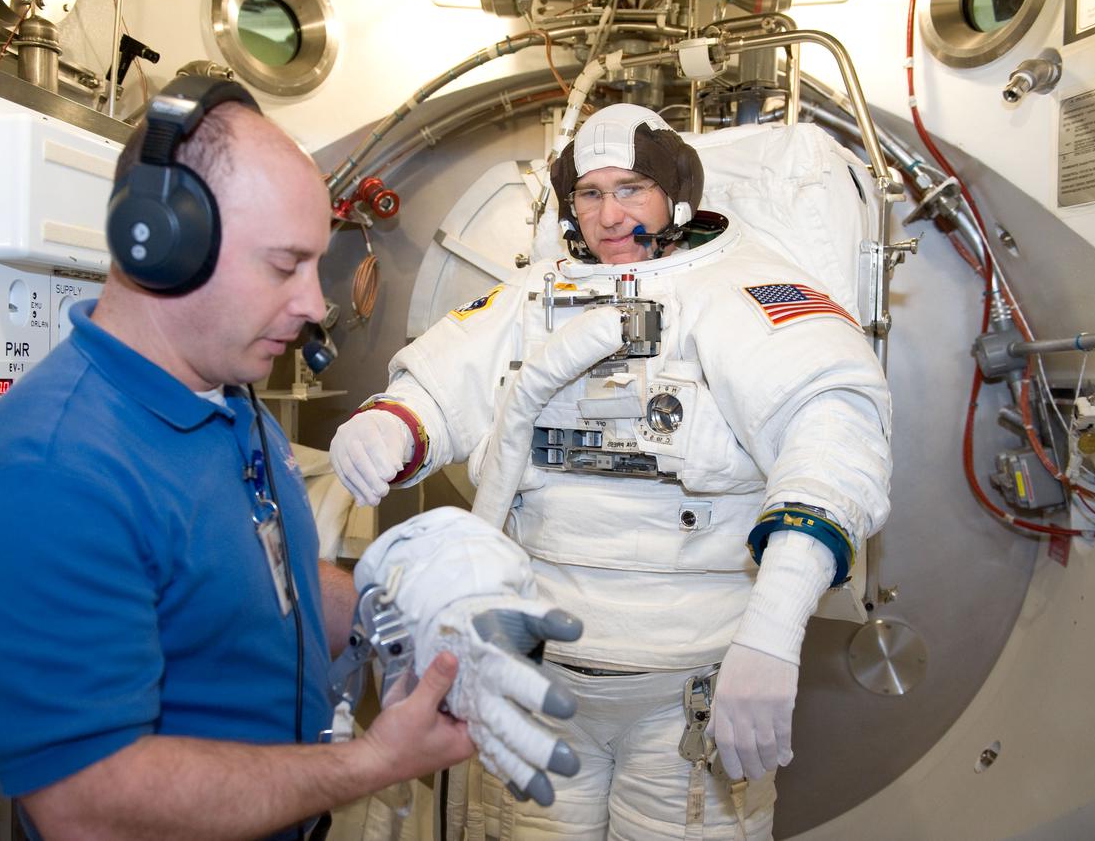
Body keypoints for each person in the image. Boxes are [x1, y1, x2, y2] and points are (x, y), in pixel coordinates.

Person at [0, 78, 575, 841]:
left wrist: (398, 598)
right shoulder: (45, 475)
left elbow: (258, 586)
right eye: (284, 265)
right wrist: (370, 761)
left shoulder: (226, 399)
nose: (313, 303)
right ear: (164, 244)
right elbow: (90, 808)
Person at [329, 103, 893, 839]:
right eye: (589, 194)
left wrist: (775, 629)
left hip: (687, 694)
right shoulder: (536, 294)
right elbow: (446, 378)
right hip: (540, 675)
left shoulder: (748, 292)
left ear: (677, 195)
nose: (608, 213)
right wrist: (392, 420)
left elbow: (833, 442)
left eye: (631, 188)